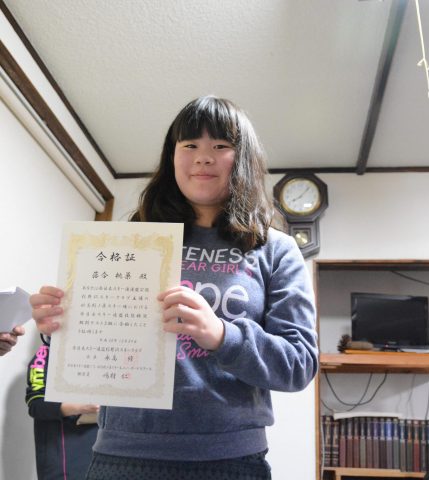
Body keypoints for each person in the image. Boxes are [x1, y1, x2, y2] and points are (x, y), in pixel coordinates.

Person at [30, 95, 319, 480]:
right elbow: (106, 339)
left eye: (220, 145)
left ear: (244, 159)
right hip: (121, 455)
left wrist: (222, 334)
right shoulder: (133, 239)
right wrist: (63, 324)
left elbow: (299, 364)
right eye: (190, 145)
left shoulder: (275, 249)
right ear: (172, 157)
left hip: (229, 460)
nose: (203, 158)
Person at [26, 334, 99, 480]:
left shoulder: (103, 352)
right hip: (62, 450)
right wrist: (79, 407)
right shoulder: (44, 355)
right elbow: (36, 405)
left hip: (103, 448)